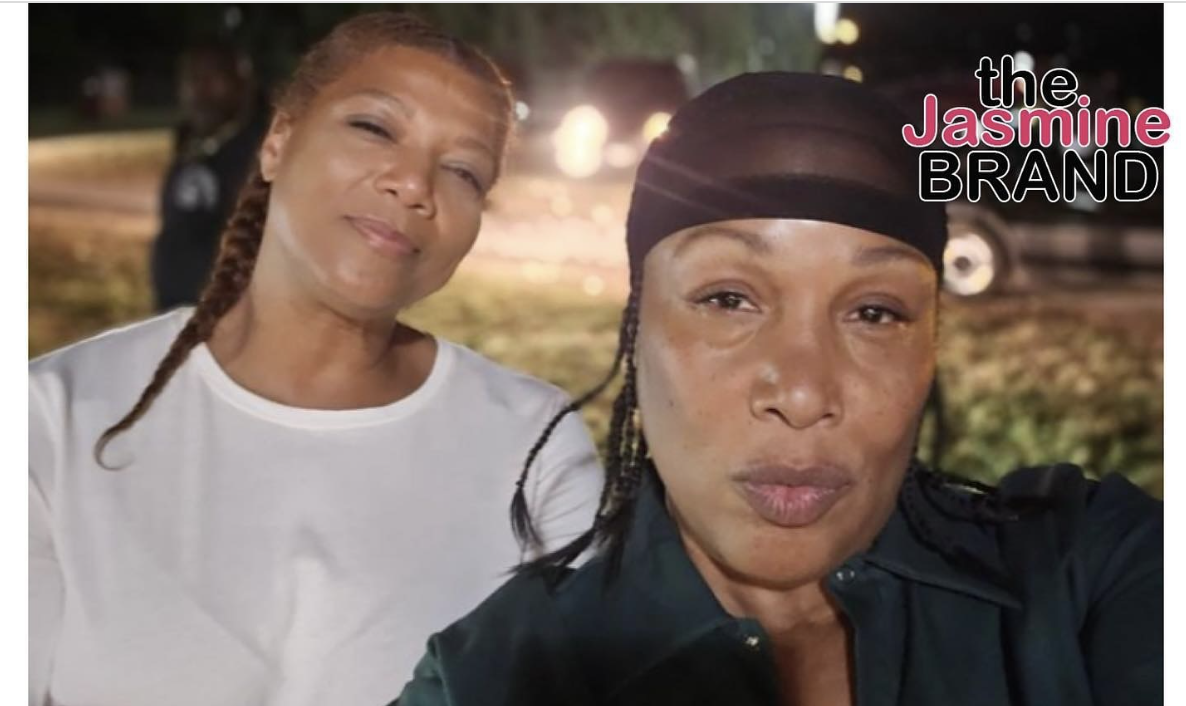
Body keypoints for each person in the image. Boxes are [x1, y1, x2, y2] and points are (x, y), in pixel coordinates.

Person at [395, 72, 1162, 706]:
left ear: (931, 346)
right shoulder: (492, 678)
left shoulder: (1085, 573)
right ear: (637, 329)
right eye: (729, 299)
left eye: (874, 312)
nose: (801, 393)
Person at [29, 13, 602, 706]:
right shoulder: (53, 418)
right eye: (375, 128)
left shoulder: (533, 445)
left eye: (462, 170)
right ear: (278, 141)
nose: (413, 183)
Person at [152, 40, 269, 311]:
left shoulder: (262, 155)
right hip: (173, 311)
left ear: (242, 84)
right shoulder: (192, 145)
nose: (197, 90)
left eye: (211, 78)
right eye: (191, 79)